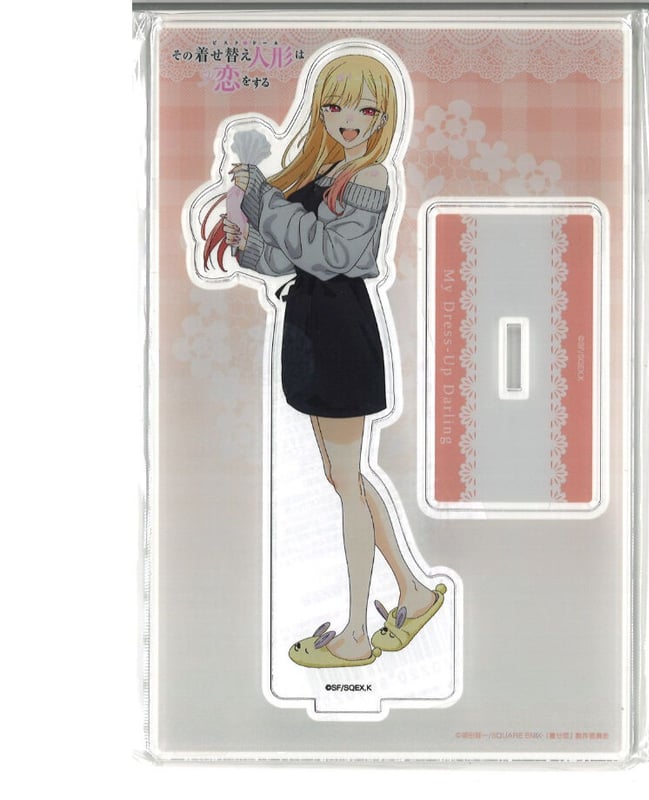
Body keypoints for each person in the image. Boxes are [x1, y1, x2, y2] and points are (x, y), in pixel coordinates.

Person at [218, 53, 445, 668]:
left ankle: (356, 636)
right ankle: (415, 592)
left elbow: (332, 255)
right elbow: (292, 258)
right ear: (320, 110)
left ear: (383, 116)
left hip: (341, 330)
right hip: (315, 324)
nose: (350, 119)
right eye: (336, 105)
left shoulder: (370, 177)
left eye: (365, 109)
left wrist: (265, 198)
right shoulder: (331, 171)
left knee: (347, 480)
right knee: (345, 476)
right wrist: (249, 242)